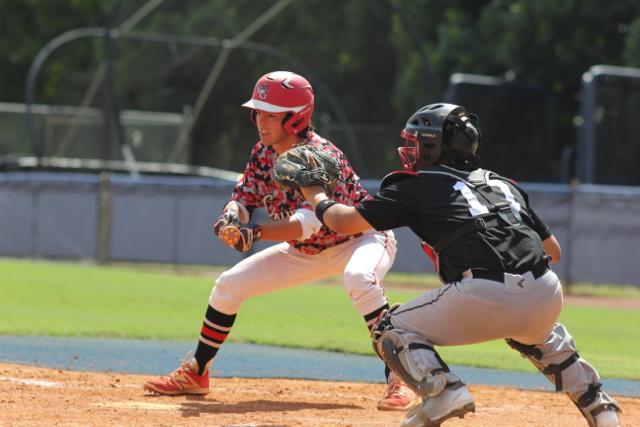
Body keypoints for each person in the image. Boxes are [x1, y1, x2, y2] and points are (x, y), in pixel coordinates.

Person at [296, 102, 622, 427]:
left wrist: (314, 193)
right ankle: (599, 407)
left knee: (389, 328)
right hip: (547, 289)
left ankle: (444, 391)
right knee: (539, 335)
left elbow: (342, 221)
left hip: (485, 290)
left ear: (433, 145)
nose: (408, 149)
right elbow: (555, 251)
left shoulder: (416, 185)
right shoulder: (502, 183)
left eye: (415, 141)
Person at [143, 70, 418, 411]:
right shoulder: (263, 152)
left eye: (270, 114)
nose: (260, 120)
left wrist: (255, 233)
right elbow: (244, 198)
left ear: (295, 119)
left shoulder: (319, 155)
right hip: (306, 251)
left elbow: (307, 224)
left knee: (359, 278)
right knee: (229, 285)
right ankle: (197, 372)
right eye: (257, 112)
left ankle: (402, 377)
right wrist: (232, 217)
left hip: (361, 238)